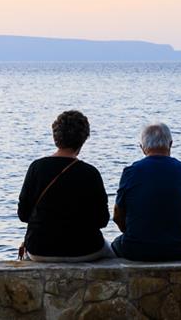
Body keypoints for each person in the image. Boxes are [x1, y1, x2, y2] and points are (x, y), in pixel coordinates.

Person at [17, 110, 114, 262]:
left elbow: (23, 215)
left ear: (55, 137)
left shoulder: (36, 168)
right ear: (83, 139)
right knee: (113, 252)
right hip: (85, 249)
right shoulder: (90, 173)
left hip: (40, 249)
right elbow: (102, 220)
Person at [111, 122, 181, 261]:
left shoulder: (131, 172)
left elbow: (117, 216)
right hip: (179, 250)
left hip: (136, 250)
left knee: (114, 245)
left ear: (142, 147)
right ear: (170, 144)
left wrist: (134, 232)